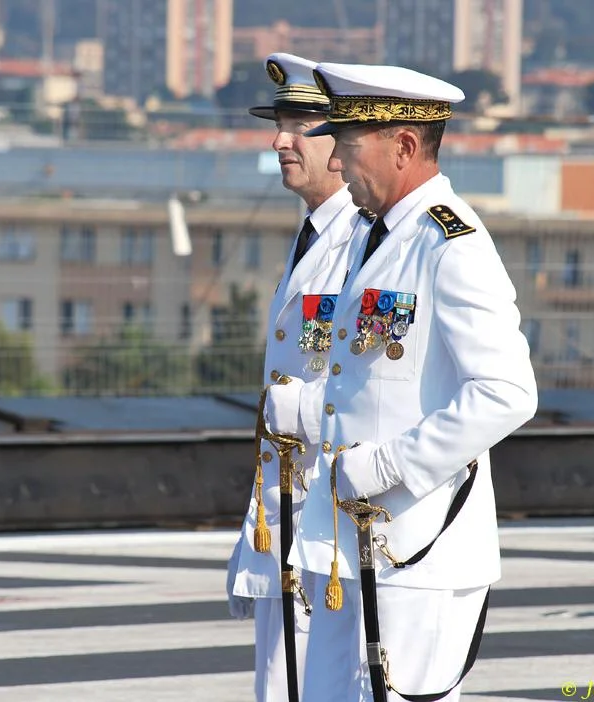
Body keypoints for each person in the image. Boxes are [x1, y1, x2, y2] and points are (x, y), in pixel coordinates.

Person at [264, 62, 538, 702]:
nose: (341, 164)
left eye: (351, 147)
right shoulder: (376, 237)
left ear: (405, 146)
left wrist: (388, 463)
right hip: (347, 540)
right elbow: (366, 378)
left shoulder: (450, 242)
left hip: (417, 547)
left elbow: (506, 392)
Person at [226, 53, 374, 702]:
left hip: (333, 523)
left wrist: (300, 415)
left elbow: (380, 388)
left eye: (299, 125)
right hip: (289, 518)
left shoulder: (369, 242)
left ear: (342, 141)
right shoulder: (313, 233)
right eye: (279, 123)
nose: (280, 141)